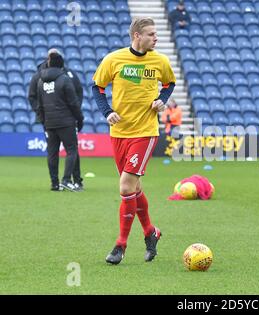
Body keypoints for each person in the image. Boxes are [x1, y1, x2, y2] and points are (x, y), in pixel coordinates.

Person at [92, 18, 176, 265]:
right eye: (151, 34)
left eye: (156, 34)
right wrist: (107, 111)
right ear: (137, 36)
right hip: (119, 133)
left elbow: (170, 83)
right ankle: (151, 232)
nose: (156, 38)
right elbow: (97, 87)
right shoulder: (113, 59)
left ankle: (120, 245)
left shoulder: (160, 61)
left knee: (126, 187)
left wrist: (162, 99)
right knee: (134, 189)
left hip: (145, 131)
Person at [28, 48, 85, 191]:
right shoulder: (64, 78)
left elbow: (39, 102)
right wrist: (79, 118)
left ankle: (56, 183)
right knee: (72, 150)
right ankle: (67, 180)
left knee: (52, 152)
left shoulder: (41, 79)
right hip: (66, 121)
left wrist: (42, 118)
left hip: (49, 122)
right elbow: (73, 101)